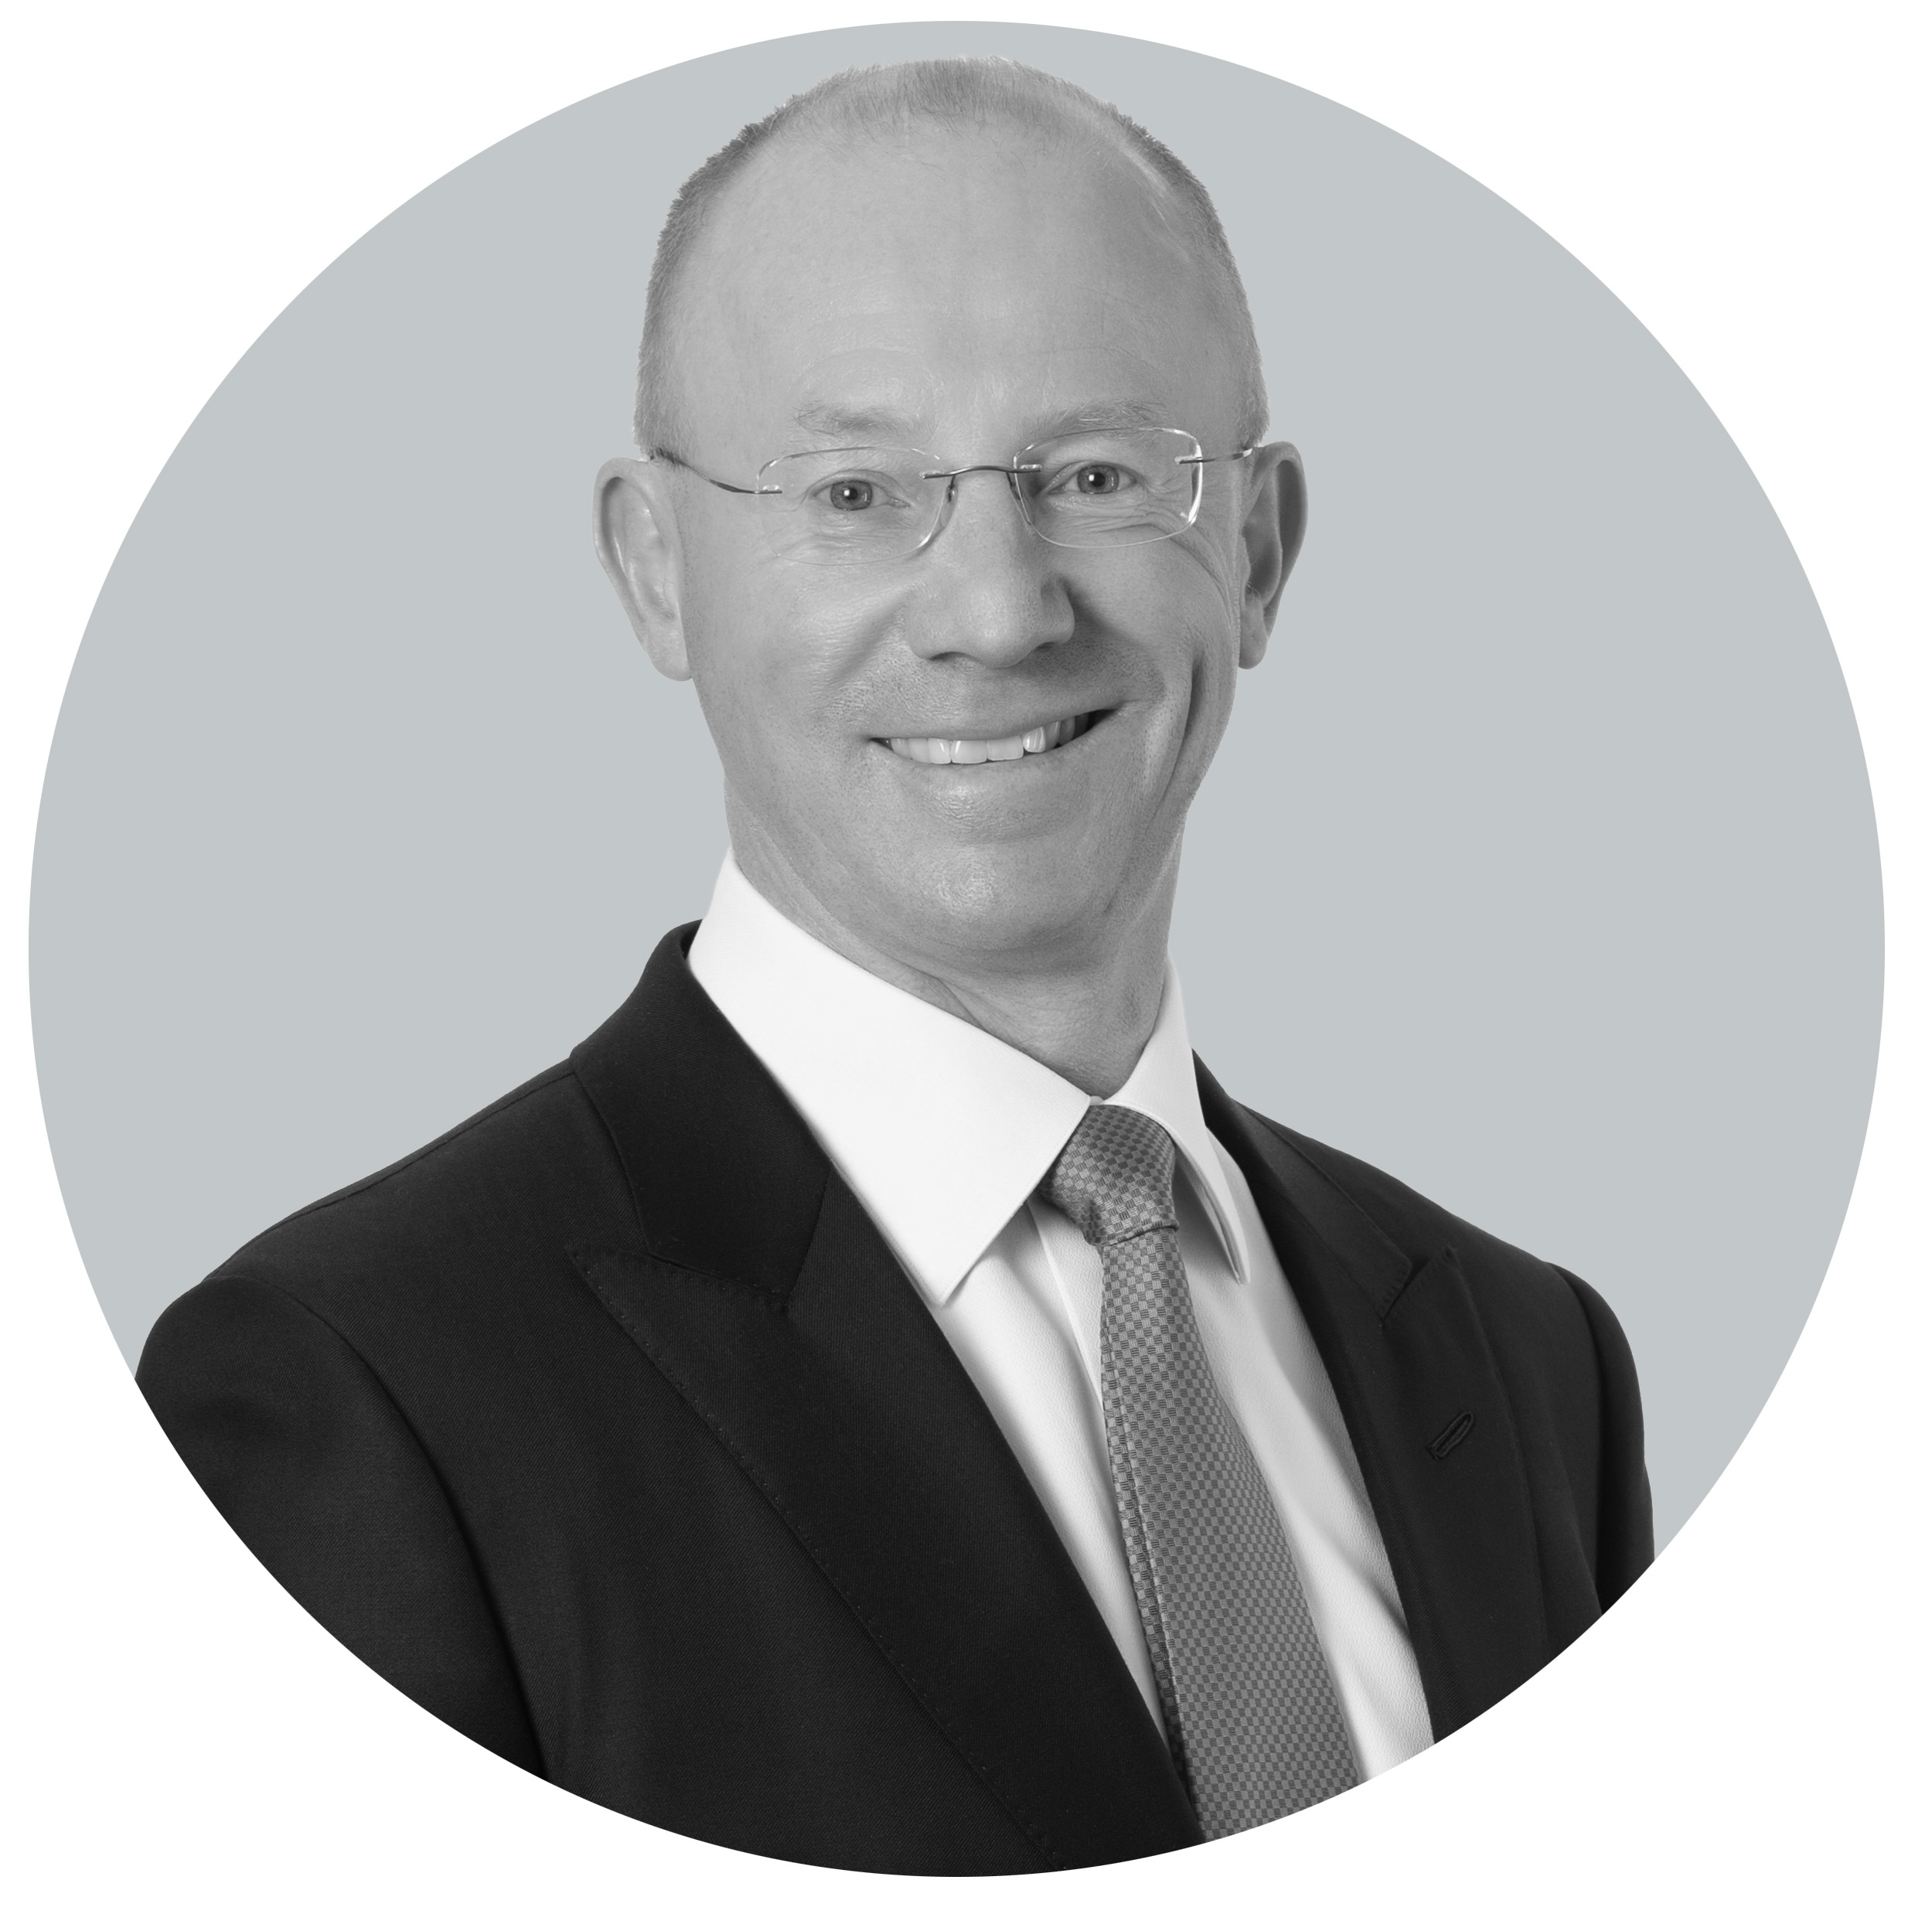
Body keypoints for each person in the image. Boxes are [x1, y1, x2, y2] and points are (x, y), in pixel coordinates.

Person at [137, 57, 1651, 1875]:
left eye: (1096, 474)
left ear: (1255, 552)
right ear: (653, 570)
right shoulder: (357, 1397)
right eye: (853, 490)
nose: (998, 610)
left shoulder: (1530, 1364)